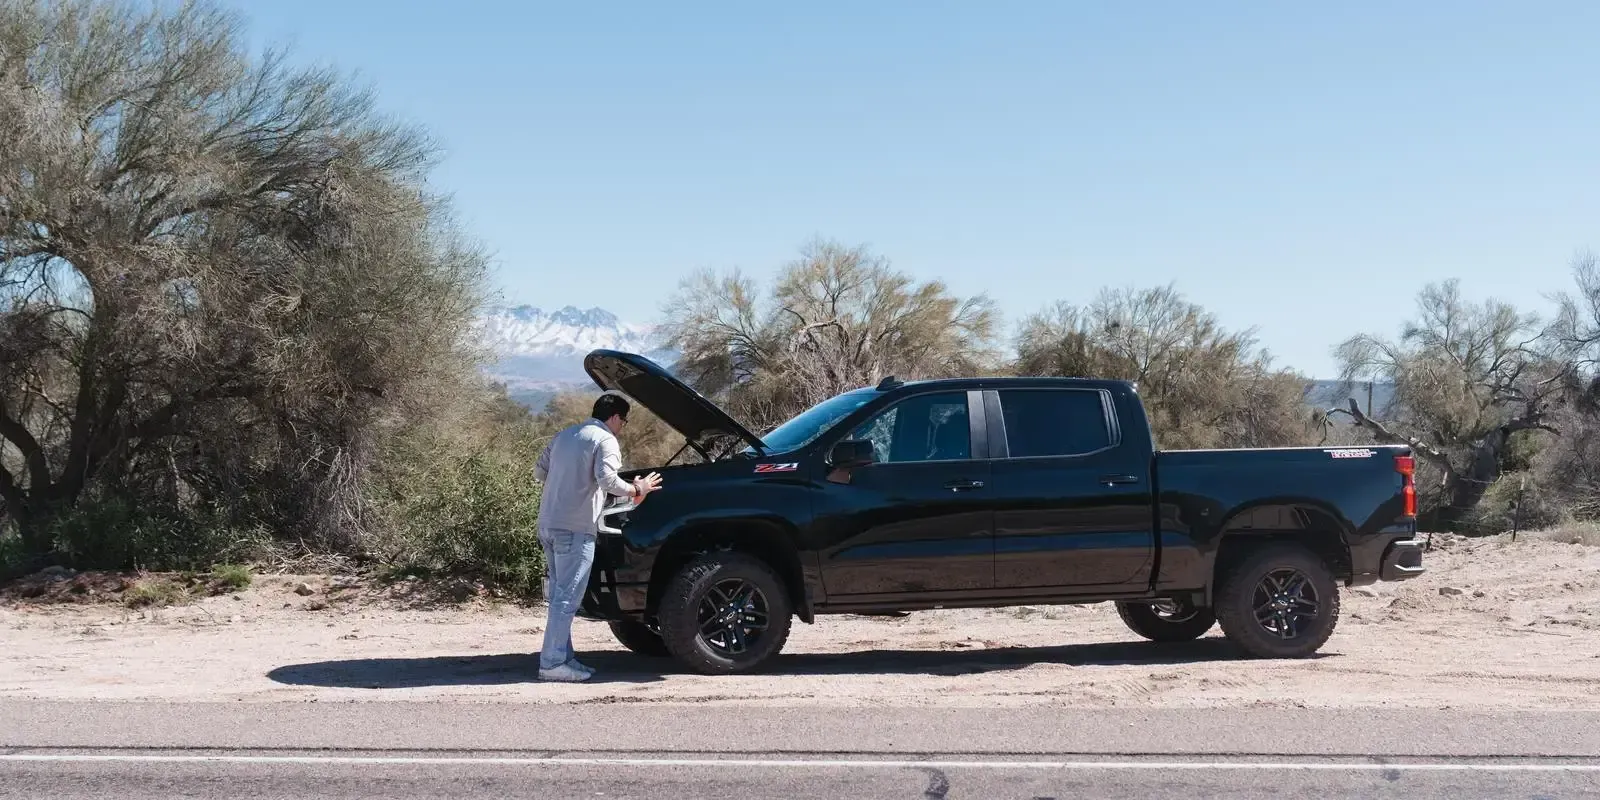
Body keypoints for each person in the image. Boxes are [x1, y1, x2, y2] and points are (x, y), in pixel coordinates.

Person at [531, 393, 662, 682]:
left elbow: (539, 472)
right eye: (623, 422)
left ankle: (564, 658)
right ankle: (552, 664)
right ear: (615, 417)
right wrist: (637, 489)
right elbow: (607, 480)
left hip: (549, 524)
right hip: (575, 528)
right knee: (567, 598)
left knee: (558, 595)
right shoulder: (605, 440)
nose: (622, 427)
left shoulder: (564, 436)